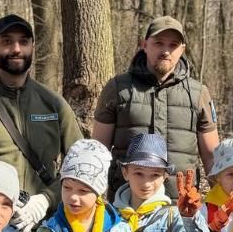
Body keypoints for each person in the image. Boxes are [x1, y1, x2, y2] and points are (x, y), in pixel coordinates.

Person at [0, 14, 83, 232]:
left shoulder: (54, 104)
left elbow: (80, 164)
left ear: (32, 47)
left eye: (23, 41)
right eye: (7, 41)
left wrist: (46, 200)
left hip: (48, 225)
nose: (16, 49)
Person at [92, 16, 221, 196]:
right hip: (127, 204)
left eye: (173, 45)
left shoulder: (198, 93)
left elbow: (211, 157)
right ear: (145, 45)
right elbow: (99, 150)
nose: (166, 51)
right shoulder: (117, 88)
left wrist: (224, 200)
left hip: (180, 205)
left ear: (182, 49)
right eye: (159, 43)